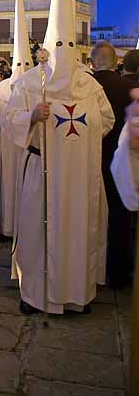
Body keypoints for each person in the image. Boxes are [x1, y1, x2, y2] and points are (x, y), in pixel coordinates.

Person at [5, 0, 114, 315]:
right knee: (38, 230)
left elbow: (103, 123)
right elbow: (13, 121)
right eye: (60, 43)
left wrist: (77, 141)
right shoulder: (33, 82)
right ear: (49, 45)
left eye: (72, 43)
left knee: (76, 232)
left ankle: (76, 292)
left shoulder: (89, 86)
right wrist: (33, 115)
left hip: (79, 177)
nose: (66, 50)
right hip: (43, 171)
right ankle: (36, 294)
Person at [0, 0, 33, 242]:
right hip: (8, 149)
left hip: (29, 150)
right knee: (7, 185)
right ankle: (7, 226)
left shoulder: (39, 90)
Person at [92, 40, 133, 289]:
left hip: (91, 160)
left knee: (90, 216)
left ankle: (90, 270)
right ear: (116, 62)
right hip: (121, 163)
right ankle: (118, 274)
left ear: (93, 62)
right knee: (119, 218)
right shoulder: (129, 88)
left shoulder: (84, 87)